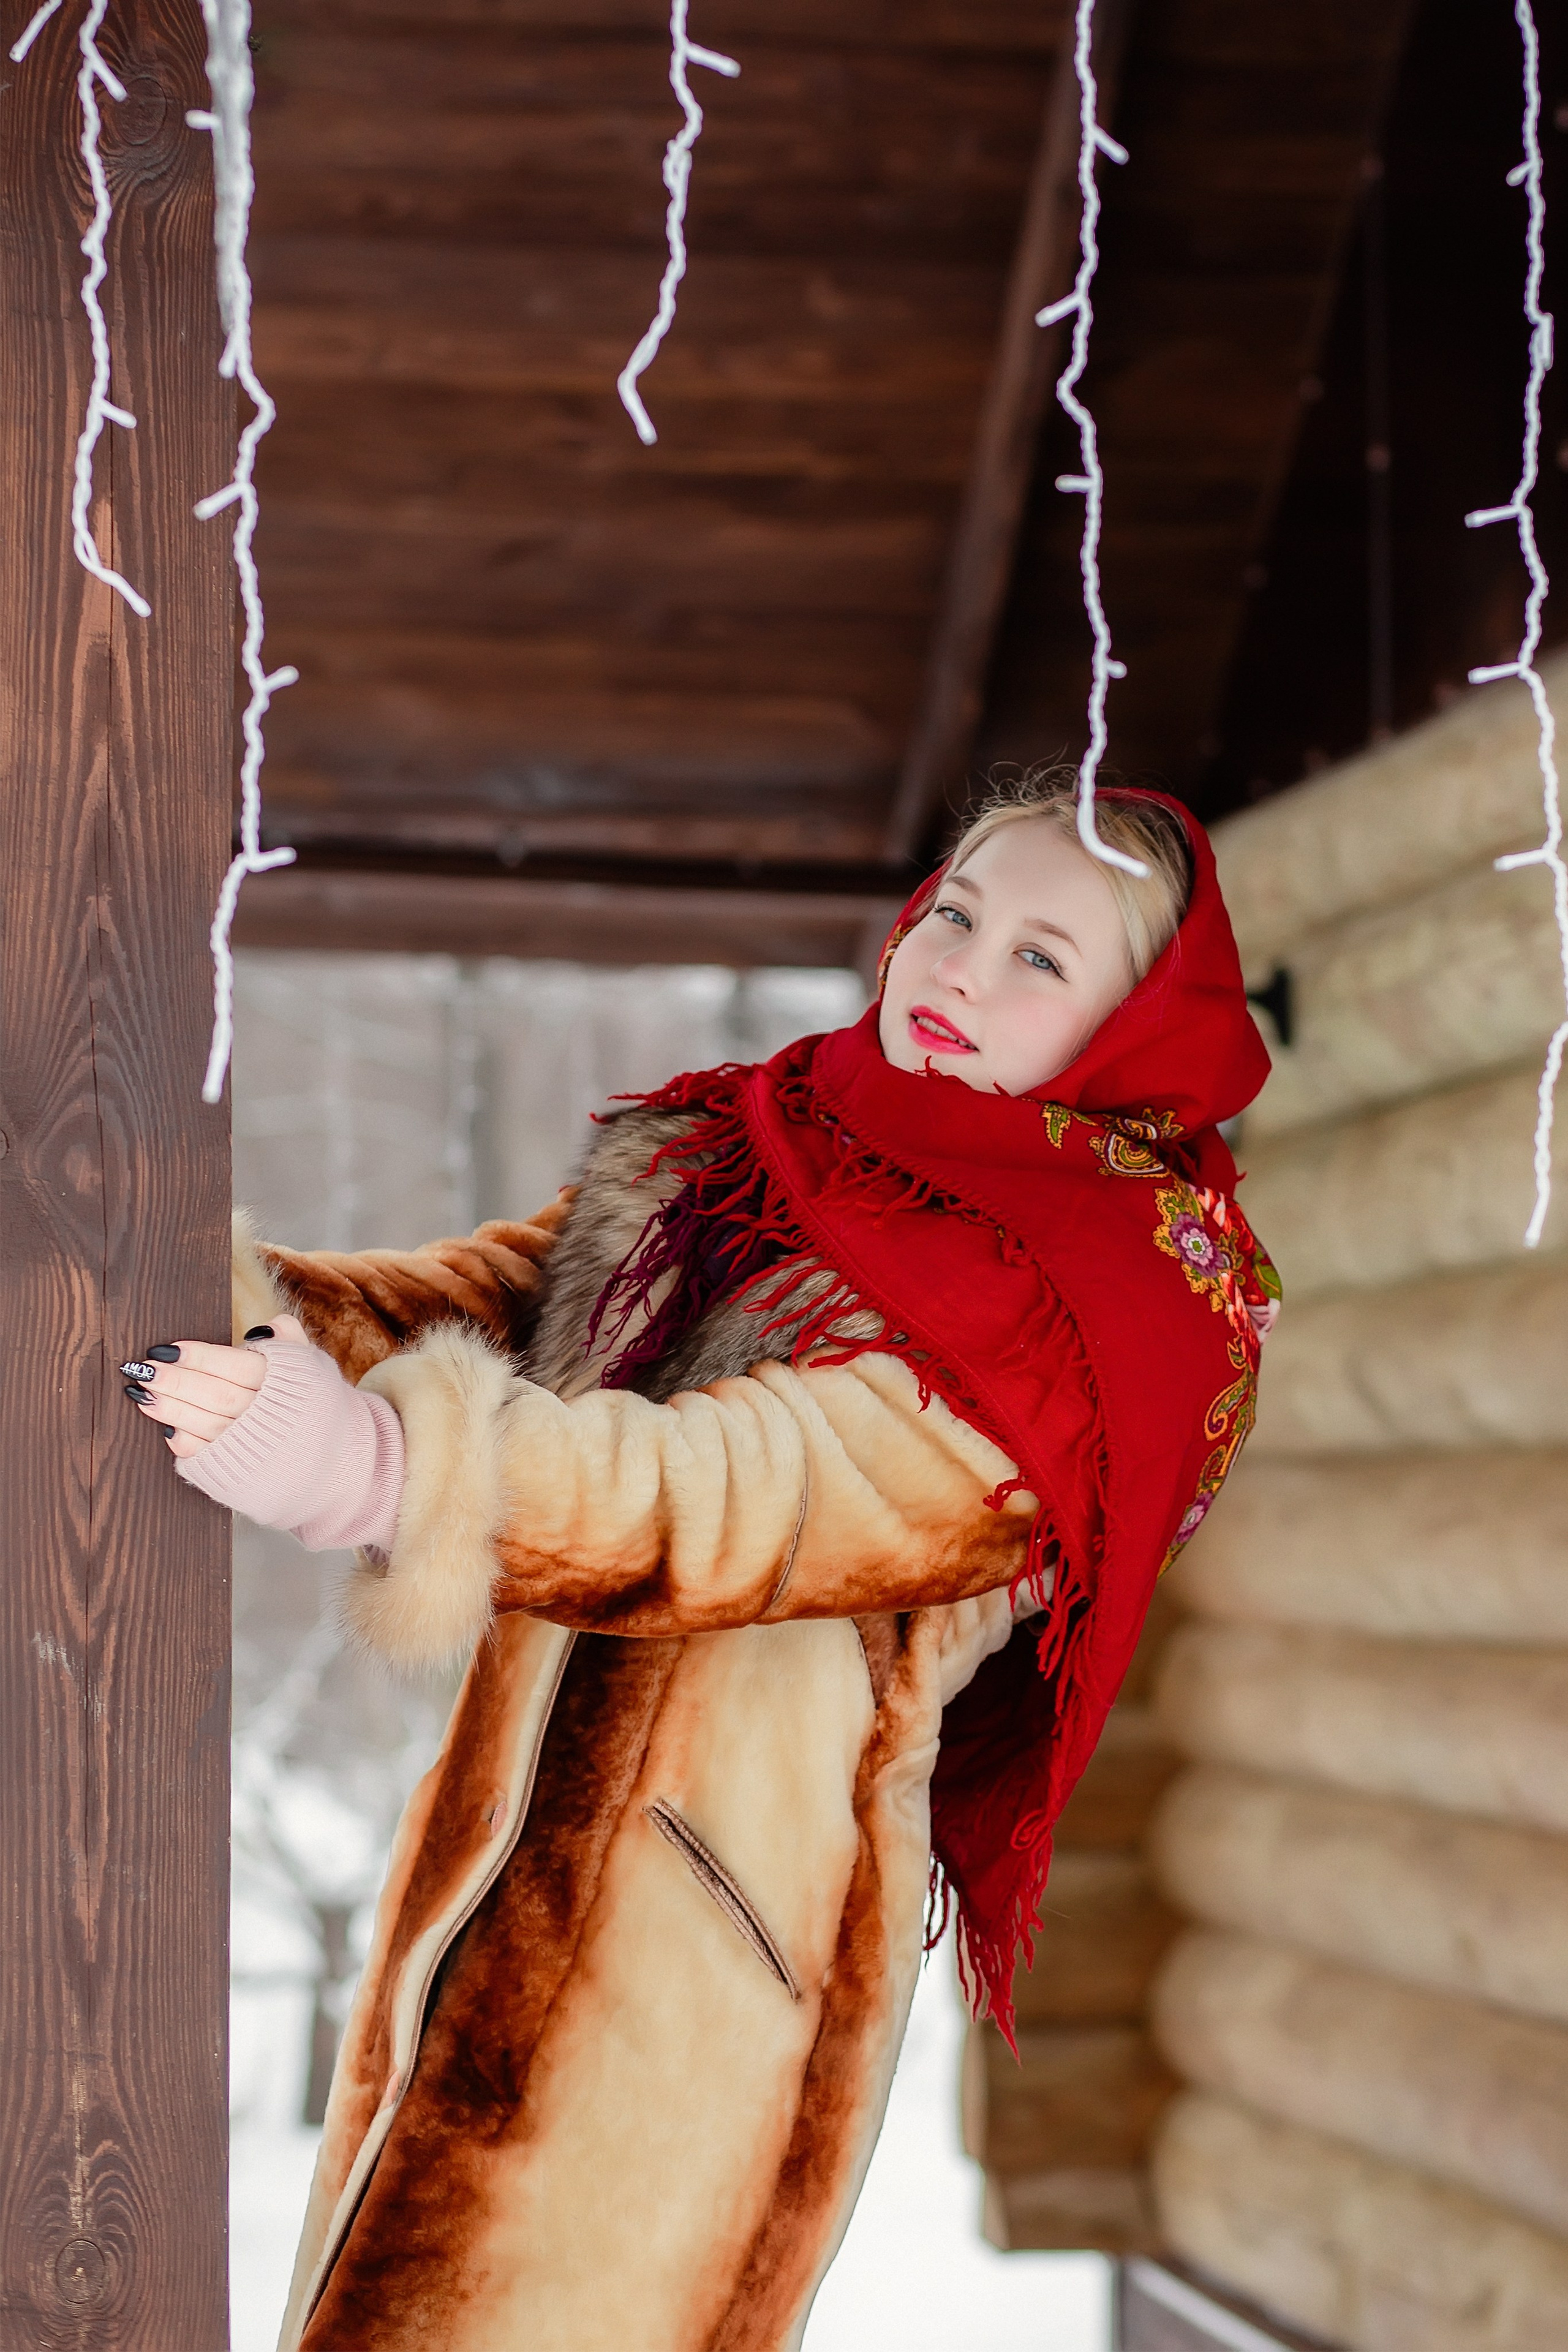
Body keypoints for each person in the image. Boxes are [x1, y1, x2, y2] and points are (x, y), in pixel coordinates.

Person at [122, 777, 1278, 2352]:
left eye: (1039, 960)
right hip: (485, 1872)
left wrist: (380, 1468)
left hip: (695, 1976)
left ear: (1132, 1026)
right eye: (954, 915)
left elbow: (736, 1500)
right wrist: (168, 1271)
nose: (958, 970)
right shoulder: (747, 1150)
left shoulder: (1079, 1326)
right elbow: (478, 1304)